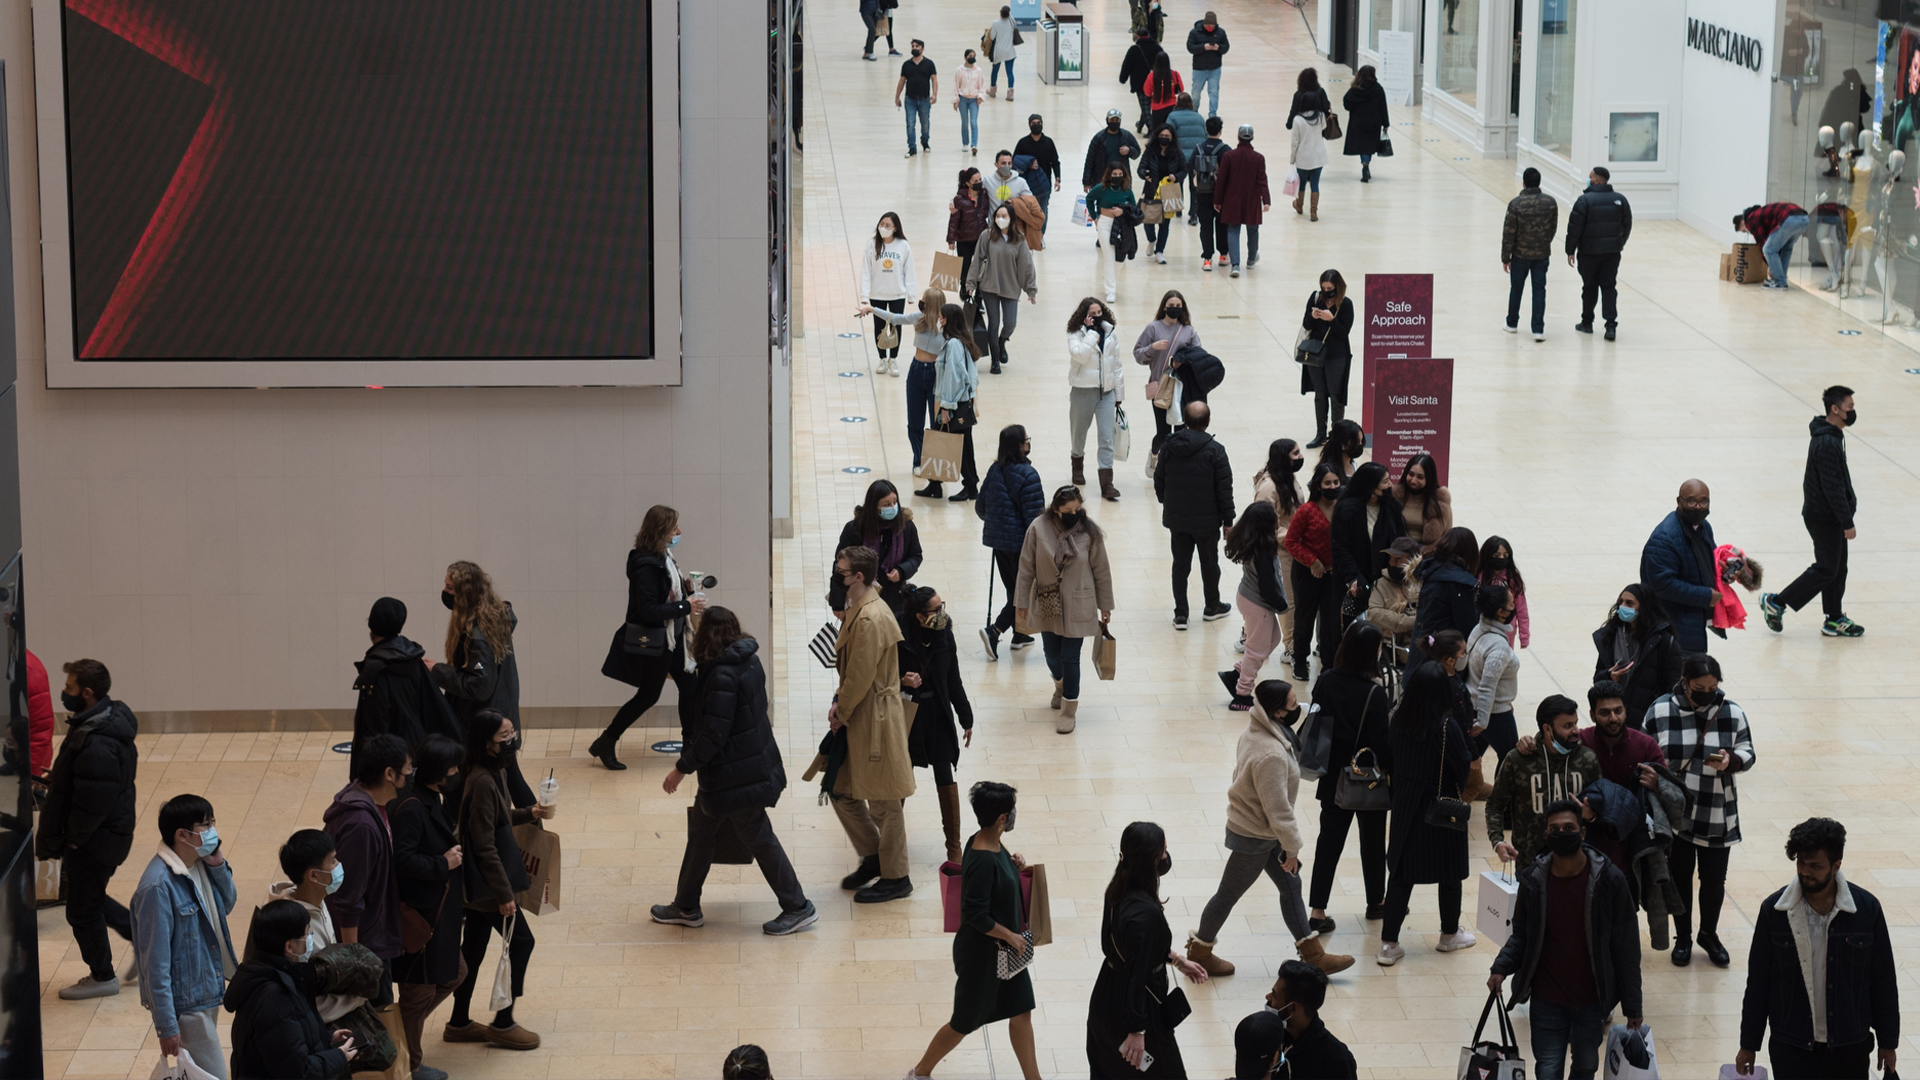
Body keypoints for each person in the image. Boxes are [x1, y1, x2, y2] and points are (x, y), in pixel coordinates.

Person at [652, 607, 817, 935]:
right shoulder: (748, 660)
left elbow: (715, 734)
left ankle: (798, 906)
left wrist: (680, 769)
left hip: (736, 776)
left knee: (758, 836)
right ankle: (685, 905)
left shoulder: (721, 675)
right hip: (743, 766)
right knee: (701, 832)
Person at [1190, 680, 1355, 978]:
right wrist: (1291, 848)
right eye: (1293, 705)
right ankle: (1199, 952)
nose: (1299, 708)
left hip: (1263, 832)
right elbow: (1277, 810)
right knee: (1228, 894)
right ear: (1278, 712)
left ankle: (1313, 955)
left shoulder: (1259, 729)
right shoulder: (1272, 755)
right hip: (1256, 836)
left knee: (1290, 886)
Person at [1487, 800, 1644, 1080]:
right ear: (1547, 835)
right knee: (1547, 1069)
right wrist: (1501, 967)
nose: (1562, 833)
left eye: (1569, 828)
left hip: (1592, 999)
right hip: (1547, 997)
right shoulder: (1533, 881)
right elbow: (1522, 933)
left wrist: (1633, 1005)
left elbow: (1626, 947)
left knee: (1585, 1067)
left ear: (1582, 834)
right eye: (1555, 829)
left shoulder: (1610, 880)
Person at [1736, 818, 1900, 1080]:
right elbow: (1758, 983)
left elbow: (1883, 981)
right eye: (1801, 862)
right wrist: (1748, 1044)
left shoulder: (1867, 910)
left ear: (1836, 866)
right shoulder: (1774, 912)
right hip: (1792, 1046)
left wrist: (1888, 1041)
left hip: (1850, 1046)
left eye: (1815, 866)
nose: (1805, 871)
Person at [905, 782, 1041, 1080]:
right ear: (1002, 818)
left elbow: (997, 883)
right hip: (983, 957)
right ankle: (920, 1073)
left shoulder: (989, 841)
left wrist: (1014, 865)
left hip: (1007, 953)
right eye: (1011, 810)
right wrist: (1010, 936)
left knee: (1021, 1012)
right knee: (964, 1022)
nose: (1015, 814)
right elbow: (974, 914)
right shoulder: (981, 857)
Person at [446, 710, 550, 1049]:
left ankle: (459, 1022)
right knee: (522, 943)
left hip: (480, 887)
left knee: (473, 949)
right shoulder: (484, 781)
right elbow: (484, 844)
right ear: (486, 744)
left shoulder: (492, 774)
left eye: (512, 733)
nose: (511, 740)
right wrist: (505, 894)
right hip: (488, 887)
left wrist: (528, 813)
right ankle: (503, 1023)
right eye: (504, 737)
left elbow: (498, 818)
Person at [1645, 653, 1754, 969]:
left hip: (1716, 811)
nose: (1707, 693)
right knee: (1679, 878)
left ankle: (1709, 933)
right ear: (1684, 682)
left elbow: (1748, 752)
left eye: (1713, 686)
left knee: (1713, 880)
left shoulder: (1731, 712)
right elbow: (1647, 750)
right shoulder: (1661, 710)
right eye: (1699, 687)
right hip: (1676, 814)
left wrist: (1731, 760)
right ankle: (1683, 937)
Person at [38, 657, 137, 1000]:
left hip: (95, 840)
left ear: (88, 693)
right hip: (106, 835)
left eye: (69, 687)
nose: (64, 693)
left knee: (81, 909)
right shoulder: (100, 723)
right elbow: (91, 785)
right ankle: (140, 937)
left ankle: (103, 976)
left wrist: (73, 840)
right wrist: (62, 779)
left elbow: (94, 803)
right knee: (88, 897)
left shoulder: (97, 741)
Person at [1088, 821, 1211, 1079]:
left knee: (1110, 1070)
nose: (1166, 857)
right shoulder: (1146, 913)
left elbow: (1126, 948)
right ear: (1150, 860)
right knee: (1164, 1072)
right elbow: (1137, 973)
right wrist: (1136, 1030)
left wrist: (1176, 960)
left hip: (1106, 997)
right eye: (1162, 852)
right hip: (1136, 1006)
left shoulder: (1116, 890)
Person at [828, 546, 917, 901]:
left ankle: (897, 876)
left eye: (842, 571)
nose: (837, 576)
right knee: (840, 789)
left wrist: (841, 711)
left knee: (883, 801)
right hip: (862, 714)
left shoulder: (869, 617)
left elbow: (861, 675)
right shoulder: (860, 607)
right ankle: (874, 856)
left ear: (859, 576)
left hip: (872, 718)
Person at [1372, 663, 1475, 965]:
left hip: (1406, 803)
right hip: (1440, 805)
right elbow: (1462, 764)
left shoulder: (1398, 721)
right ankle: (1449, 934)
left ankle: (1389, 945)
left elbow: (1388, 758)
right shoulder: (1447, 726)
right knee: (1450, 871)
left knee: (1401, 874)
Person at [131, 794, 240, 1079]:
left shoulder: (199, 864)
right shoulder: (157, 887)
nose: (212, 831)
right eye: (205, 825)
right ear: (182, 834)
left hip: (206, 989)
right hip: (186, 1005)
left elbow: (226, 904)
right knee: (214, 1074)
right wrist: (167, 1026)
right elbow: (155, 964)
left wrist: (218, 865)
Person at [594, 504, 708, 769]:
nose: (679, 532)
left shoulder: (664, 556)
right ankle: (607, 741)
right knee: (648, 696)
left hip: (673, 637)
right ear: (661, 531)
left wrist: (686, 589)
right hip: (658, 641)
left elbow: (665, 592)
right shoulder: (646, 564)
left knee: (689, 687)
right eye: (674, 528)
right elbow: (648, 610)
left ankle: (690, 745)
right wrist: (686, 606)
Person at [389, 735, 468, 1080]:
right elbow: (402, 860)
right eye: (452, 766)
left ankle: (404, 1037)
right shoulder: (411, 807)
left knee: (455, 973)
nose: (456, 772)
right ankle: (410, 1064)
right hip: (421, 919)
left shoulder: (429, 799)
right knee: (417, 994)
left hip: (439, 916)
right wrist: (442, 863)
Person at [1306, 623, 1393, 932]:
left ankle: (1317, 910)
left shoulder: (1326, 680)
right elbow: (1381, 744)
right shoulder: (1374, 693)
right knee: (1372, 843)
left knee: (1328, 843)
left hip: (1333, 777)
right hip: (1367, 779)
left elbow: (1316, 724)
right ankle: (1376, 901)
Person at [1762, 385, 1862, 638]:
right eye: (1849, 407)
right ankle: (1777, 602)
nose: (1853, 412)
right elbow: (1832, 487)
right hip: (1824, 517)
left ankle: (1834, 618)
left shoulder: (1831, 434)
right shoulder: (1827, 442)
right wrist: (1847, 521)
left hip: (1828, 516)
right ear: (1835, 409)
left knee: (1838, 568)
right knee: (1827, 568)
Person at [432, 559, 533, 806]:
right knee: (510, 780)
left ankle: (531, 833)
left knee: (501, 783)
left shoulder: (478, 635)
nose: (444, 592)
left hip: (485, 722)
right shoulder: (494, 617)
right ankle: (533, 830)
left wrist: (437, 670)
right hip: (498, 715)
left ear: (465, 593)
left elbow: (480, 685)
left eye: (450, 588)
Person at [1016, 487, 1115, 734]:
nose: (1073, 514)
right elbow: (1026, 567)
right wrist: (1022, 602)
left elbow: (1102, 571)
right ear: (1055, 509)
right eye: (1067, 511)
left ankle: (1069, 710)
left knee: (1071, 658)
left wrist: (1106, 606)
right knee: (1051, 654)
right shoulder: (1038, 528)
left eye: (1077, 510)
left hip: (1079, 604)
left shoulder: (1090, 532)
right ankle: (1059, 685)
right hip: (1047, 602)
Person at [224, 899, 357, 1080]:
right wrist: (339, 1057)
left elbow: (286, 1042)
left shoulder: (275, 975)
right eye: (306, 935)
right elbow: (296, 1072)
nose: (309, 940)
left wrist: (326, 1038)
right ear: (289, 946)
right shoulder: (273, 996)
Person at [322, 732, 408, 1009]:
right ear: (389, 774)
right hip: (366, 945)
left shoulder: (371, 806)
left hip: (372, 937)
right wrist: (355, 960)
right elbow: (348, 897)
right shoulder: (361, 826)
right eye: (407, 771)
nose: (409, 777)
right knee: (377, 1019)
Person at [898, 588, 976, 865]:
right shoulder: (899, 636)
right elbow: (879, 674)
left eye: (942, 607)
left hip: (938, 713)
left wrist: (966, 718)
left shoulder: (945, 636)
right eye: (935, 610)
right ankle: (891, 841)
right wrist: (901, 681)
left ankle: (953, 847)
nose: (941, 614)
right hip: (908, 713)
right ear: (918, 616)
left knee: (945, 771)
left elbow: (953, 679)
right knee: (900, 776)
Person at [266, 829, 365, 1031]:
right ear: (313, 875)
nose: (338, 867)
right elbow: (305, 1000)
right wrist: (356, 998)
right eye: (333, 861)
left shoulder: (318, 901)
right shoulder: (296, 930)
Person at [1487, 697, 1602, 867]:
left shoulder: (1587, 759)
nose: (1576, 731)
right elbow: (1495, 804)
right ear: (1547, 729)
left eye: (1575, 723)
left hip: (1577, 864)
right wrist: (1497, 841)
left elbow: (1602, 807)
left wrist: (1592, 815)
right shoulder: (1518, 760)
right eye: (1567, 726)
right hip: (1530, 864)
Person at [352, 598, 458, 779]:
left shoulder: (375, 670)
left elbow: (376, 728)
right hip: (419, 751)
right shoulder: (414, 659)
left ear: (371, 625)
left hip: (393, 765)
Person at [1155, 400, 1234, 630]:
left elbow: (1159, 479)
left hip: (1178, 519)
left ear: (1185, 421)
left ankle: (1181, 614)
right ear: (1208, 422)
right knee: (1209, 563)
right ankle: (1212, 606)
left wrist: (1167, 502)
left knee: (1180, 565)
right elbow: (1224, 489)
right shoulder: (1215, 450)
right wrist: (1228, 520)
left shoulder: (1169, 447)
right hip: (1207, 522)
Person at [859, 288, 950, 473]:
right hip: (916, 370)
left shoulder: (946, 326)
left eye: (924, 299)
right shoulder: (919, 318)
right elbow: (895, 318)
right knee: (914, 423)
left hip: (936, 374)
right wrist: (872, 309)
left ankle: (934, 463)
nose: (921, 301)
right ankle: (918, 461)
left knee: (935, 423)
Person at [978, 425, 1044, 660]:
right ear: (1020, 446)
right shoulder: (1028, 475)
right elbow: (1035, 520)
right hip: (1021, 547)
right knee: (1023, 594)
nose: (1028, 443)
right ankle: (995, 630)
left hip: (999, 544)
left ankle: (1020, 634)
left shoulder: (995, 470)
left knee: (1013, 589)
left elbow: (980, 507)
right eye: (1026, 439)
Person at [1639, 478, 1719, 654]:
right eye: (1691, 501)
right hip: (1672, 626)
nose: (1698, 507)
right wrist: (1706, 595)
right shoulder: (1665, 538)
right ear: (1679, 501)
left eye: (1703, 501)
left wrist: (1725, 571)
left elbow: (1709, 560)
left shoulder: (1703, 527)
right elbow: (1663, 585)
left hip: (1693, 622)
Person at [1221, 504, 1289, 709]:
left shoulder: (1258, 544)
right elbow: (1267, 587)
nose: (1278, 517)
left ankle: (1237, 674)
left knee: (1274, 638)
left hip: (1248, 598)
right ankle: (1242, 694)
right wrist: (1282, 606)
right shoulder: (1263, 552)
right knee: (1256, 650)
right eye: (1275, 516)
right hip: (1258, 604)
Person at [965, 196, 1038, 377]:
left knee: (1010, 323)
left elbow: (1026, 265)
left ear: (1011, 218)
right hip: (990, 286)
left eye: (1004, 215)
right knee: (994, 323)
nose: (1000, 219)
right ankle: (995, 359)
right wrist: (971, 283)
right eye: (998, 215)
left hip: (1011, 287)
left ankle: (1002, 341)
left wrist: (1031, 289)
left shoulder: (1019, 239)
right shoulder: (987, 236)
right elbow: (977, 260)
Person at [1591, 584, 1683, 725]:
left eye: (1629, 603)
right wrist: (1609, 676)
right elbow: (1597, 680)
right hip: (1614, 718)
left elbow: (1671, 686)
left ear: (1644, 607)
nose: (1623, 606)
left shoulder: (1663, 641)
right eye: (1621, 602)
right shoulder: (1610, 636)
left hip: (1647, 719)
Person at [1284, 464, 1343, 681]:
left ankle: (1329, 664)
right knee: (1305, 618)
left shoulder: (1342, 508)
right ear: (1318, 486)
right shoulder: (1306, 510)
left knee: (1330, 622)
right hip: (1306, 573)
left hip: (1333, 574)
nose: (1333, 486)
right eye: (1327, 483)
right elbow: (1290, 541)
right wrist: (1312, 562)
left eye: (1336, 482)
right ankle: (1300, 660)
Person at [1252, 961, 1358, 1079]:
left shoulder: (1337, 1060)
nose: (1268, 996)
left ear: (1292, 1008)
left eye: (1274, 995)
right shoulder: (1269, 1036)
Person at [1329, 462, 1403, 627]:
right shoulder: (1346, 510)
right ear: (1370, 486)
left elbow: (1399, 540)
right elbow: (1340, 548)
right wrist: (1353, 578)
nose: (1390, 485)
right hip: (1355, 580)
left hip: (1384, 580)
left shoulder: (1392, 507)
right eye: (1385, 482)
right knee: (1352, 631)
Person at [1066, 297, 1125, 501]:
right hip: (1083, 390)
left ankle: (1107, 483)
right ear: (1084, 315)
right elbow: (1080, 355)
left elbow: (1116, 364)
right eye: (1093, 313)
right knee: (1079, 433)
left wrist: (1119, 395)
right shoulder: (1075, 333)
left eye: (1100, 312)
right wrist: (1091, 334)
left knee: (1106, 437)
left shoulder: (1110, 332)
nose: (1097, 317)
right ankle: (1077, 465)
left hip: (1106, 393)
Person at [1252, 439, 1307, 659]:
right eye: (1295, 453)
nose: (1300, 457)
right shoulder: (1268, 488)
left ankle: (1249, 633)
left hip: (1297, 547)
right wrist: (1293, 537)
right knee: (1288, 600)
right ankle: (1290, 645)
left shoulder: (1288, 479)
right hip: (1280, 551)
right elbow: (1265, 525)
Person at [1133, 290, 1200, 466]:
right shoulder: (1153, 328)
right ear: (1164, 307)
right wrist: (1152, 347)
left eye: (1178, 306)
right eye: (1171, 306)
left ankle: (1174, 465)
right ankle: (1155, 456)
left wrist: (1182, 360)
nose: (1175, 309)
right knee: (1162, 431)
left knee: (1180, 429)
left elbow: (1199, 355)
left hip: (1181, 388)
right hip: (1160, 386)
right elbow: (1138, 354)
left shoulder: (1188, 331)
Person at [1465, 584, 1521, 795]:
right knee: (1510, 758)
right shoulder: (1498, 647)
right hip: (1492, 712)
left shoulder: (1478, 629)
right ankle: (1502, 809)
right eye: (1511, 604)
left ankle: (1459, 793)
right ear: (1501, 612)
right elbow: (1487, 687)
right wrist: (1482, 721)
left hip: (1478, 706)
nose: (1514, 607)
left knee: (1470, 756)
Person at [1566, 165, 1631, 340]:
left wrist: (1570, 250)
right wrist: (1619, 243)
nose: (1588, 179)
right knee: (1609, 287)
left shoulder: (1584, 200)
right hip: (1612, 253)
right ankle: (1610, 326)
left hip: (1589, 253)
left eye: (1590, 176)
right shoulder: (1620, 200)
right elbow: (1627, 225)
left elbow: (1575, 228)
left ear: (1597, 180)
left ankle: (1587, 322)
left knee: (1589, 286)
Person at [932, 301, 984, 500]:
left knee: (961, 446)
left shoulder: (954, 344)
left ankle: (970, 485)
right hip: (962, 403)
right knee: (965, 446)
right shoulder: (961, 341)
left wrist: (947, 406)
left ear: (949, 320)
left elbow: (954, 377)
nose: (939, 320)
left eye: (942, 317)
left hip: (955, 404)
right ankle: (971, 486)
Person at [1409, 527, 1480, 667]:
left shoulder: (1431, 569)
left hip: (1421, 649)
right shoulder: (1460, 583)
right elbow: (1468, 627)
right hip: (1444, 659)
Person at [1299, 271, 1355, 446]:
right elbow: (1306, 325)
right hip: (1316, 353)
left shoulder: (1346, 304)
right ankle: (1320, 433)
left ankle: (1337, 436)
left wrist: (1332, 320)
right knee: (1320, 394)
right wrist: (1312, 316)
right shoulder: (1316, 299)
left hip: (1337, 356)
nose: (1326, 291)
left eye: (1329, 288)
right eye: (1323, 288)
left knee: (1335, 395)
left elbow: (1343, 333)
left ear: (1337, 287)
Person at [1503, 167, 1559, 340]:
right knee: (1539, 290)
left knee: (1516, 289)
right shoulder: (1550, 203)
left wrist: (1506, 257)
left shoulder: (1516, 204)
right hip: (1541, 254)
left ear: (1524, 182)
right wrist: (1544, 243)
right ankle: (1538, 329)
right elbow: (1552, 228)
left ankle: (1512, 323)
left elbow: (1509, 232)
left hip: (1520, 255)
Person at [860, 212, 915, 374]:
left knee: (896, 326)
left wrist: (911, 294)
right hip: (877, 294)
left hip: (897, 293)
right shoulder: (871, 245)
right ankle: (882, 359)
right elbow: (865, 271)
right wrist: (864, 296)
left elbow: (909, 270)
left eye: (887, 225)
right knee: (879, 327)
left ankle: (894, 359)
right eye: (881, 224)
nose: (883, 227)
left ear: (895, 228)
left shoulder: (903, 245)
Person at [1214, 125, 1269, 277]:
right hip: (1252, 200)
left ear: (1238, 137)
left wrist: (1217, 200)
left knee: (1233, 230)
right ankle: (1251, 259)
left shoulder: (1229, 156)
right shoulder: (1258, 158)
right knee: (1253, 230)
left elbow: (1221, 181)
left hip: (1232, 199)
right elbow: (1262, 180)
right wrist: (1266, 200)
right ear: (1252, 138)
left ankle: (1236, 265)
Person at [1086, 161, 1138, 304]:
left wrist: (1123, 210)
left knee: (1119, 258)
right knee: (1109, 257)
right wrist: (1094, 217)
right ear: (1109, 174)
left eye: (1120, 174)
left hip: (1122, 226)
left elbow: (1134, 207)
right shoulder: (1100, 188)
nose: (1117, 177)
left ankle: (1109, 277)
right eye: (1114, 174)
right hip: (1105, 224)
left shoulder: (1127, 190)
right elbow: (1089, 199)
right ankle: (1110, 290)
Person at [1138, 124, 1187, 263]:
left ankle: (1159, 251)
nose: (1164, 138)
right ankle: (1151, 240)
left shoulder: (1177, 153)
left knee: (1164, 224)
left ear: (1172, 138)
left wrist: (1176, 177)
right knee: (1148, 220)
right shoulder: (1150, 151)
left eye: (1167, 136)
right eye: (1162, 136)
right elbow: (1141, 167)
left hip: (1168, 192)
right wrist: (1144, 174)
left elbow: (1184, 169)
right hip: (1151, 191)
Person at [1733, 201, 1809, 289]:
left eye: (1743, 231)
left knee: (1768, 249)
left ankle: (1779, 281)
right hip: (1804, 218)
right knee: (1786, 249)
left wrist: (1771, 267)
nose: (1747, 232)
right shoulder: (1760, 213)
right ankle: (1781, 278)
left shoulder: (1751, 219)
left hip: (1789, 219)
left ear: (1742, 223)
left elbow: (1762, 243)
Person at [1368, 537, 1422, 653]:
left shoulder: (1422, 584)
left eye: (1397, 560)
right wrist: (1414, 621)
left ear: (1412, 562)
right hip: (1392, 648)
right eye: (1390, 559)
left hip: (1421, 642)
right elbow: (1373, 614)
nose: (1391, 563)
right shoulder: (1380, 584)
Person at [1190, 117, 1230, 269]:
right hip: (1221, 196)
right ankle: (1223, 255)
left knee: (1205, 226)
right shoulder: (1226, 150)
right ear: (1220, 130)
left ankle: (1207, 258)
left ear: (1206, 130)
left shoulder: (1198, 148)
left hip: (1202, 193)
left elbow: (1191, 167)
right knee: (1222, 225)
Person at [1390, 455, 1451, 553]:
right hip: (1397, 551)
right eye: (1411, 474)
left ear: (1429, 478)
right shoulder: (1395, 496)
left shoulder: (1440, 501)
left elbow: (1447, 534)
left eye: (1420, 477)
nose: (1413, 480)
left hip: (1426, 555)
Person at [1478, 535, 1530, 649]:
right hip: (1483, 629)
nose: (1501, 558)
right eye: (1497, 555)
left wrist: (1524, 636)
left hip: (1507, 631)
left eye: (1505, 556)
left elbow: (1521, 608)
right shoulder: (1480, 577)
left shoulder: (1513, 579)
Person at [1287, 86, 1330, 222]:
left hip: (1303, 157)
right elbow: (1324, 127)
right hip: (1318, 156)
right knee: (1315, 184)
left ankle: (1299, 205)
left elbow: (1295, 142)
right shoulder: (1321, 116)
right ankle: (1313, 213)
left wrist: (1292, 158)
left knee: (1302, 183)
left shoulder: (1298, 120)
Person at [1342, 65, 1390, 182]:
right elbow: (1383, 106)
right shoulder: (1378, 89)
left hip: (1358, 122)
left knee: (1362, 145)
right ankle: (1366, 163)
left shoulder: (1355, 89)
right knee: (1368, 145)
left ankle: (1364, 164)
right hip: (1374, 123)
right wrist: (1385, 123)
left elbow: (1347, 104)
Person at [1013, 115, 1061, 227]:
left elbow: (1055, 161)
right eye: (1033, 123)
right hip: (1026, 184)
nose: (1036, 125)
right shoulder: (1023, 143)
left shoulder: (1048, 142)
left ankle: (1040, 235)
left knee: (1042, 211)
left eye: (1038, 122)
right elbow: (1015, 160)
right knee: (1027, 211)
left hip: (1044, 184)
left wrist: (1058, 178)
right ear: (1029, 125)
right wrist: (1027, 164)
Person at [896, 41, 938, 157]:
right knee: (910, 123)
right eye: (913, 46)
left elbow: (934, 79)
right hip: (910, 99)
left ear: (922, 49)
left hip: (924, 99)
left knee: (925, 123)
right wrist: (897, 96)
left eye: (917, 46)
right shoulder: (906, 64)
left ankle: (925, 141)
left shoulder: (929, 63)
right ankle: (912, 147)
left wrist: (934, 94)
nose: (914, 48)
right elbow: (902, 81)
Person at [1118, 27, 1163, 134]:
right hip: (1155, 81)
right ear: (1148, 36)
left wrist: (1122, 79)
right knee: (1146, 104)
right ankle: (1140, 124)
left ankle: (1152, 129)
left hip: (1140, 82)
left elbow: (1127, 65)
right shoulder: (1157, 48)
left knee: (1145, 105)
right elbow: (1163, 63)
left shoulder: (1134, 49)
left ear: (1137, 36)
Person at [948, 169, 988, 288]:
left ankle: (979, 296)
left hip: (981, 238)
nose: (979, 183)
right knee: (964, 268)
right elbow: (954, 220)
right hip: (964, 239)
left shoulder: (985, 194)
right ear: (968, 183)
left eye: (980, 179)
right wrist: (951, 239)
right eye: (975, 181)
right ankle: (965, 291)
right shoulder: (960, 199)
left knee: (982, 268)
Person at [1186, 10, 1229, 116]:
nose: (1210, 27)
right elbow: (1190, 47)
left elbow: (1226, 47)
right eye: (1208, 25)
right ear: (1204, 23)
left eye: (1212, 25)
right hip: (1199, 68)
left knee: (1214, 93)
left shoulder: (1221, 32)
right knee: (1196, 93)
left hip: (1214, 68)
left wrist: (1218, 48)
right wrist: (1203, 47)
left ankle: (1213, 114)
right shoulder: (1194, 32)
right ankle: (1194, 111)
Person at [982, 148, 1034, 218]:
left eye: (1009, 163)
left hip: (1014, 225)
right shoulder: (987, 181)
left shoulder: (1021, 182)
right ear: (996, 164)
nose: (1007, 166)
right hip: (993, 225)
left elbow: (1030, 203)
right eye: (1003, 163)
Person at [1143, 54, 1184, 136]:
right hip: (1172, 107)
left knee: (1157, 134)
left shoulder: (1151, 76)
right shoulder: (1175, 74)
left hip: (1157, 109)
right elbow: (1181, 89)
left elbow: (1147, 92)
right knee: (1171, 132)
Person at [953, 49, 984, 155]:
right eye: (970, 55)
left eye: (973, 56)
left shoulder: (978, 70)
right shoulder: (959, 70)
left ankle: (974, 144)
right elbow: (956, 85)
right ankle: (965, 143)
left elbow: (981, 84)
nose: (972, 57)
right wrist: (955, 100)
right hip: (963, 98)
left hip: (974, 99)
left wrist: (980, 96)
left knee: (974, 122)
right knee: (965, 122)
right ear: (965, 57)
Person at [987, 6, 1018, 101]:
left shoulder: (995, 23)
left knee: (995, 71)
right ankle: (1010, 93)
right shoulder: (1012, 21)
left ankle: (992, 90)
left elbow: (992, 37)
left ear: (1000, 12)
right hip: (1010, 51)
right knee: (1009, 72)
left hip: (998, 51)